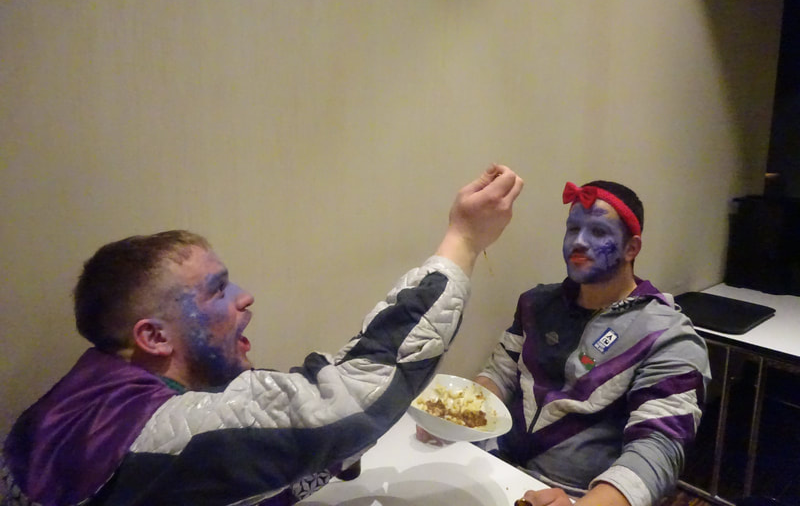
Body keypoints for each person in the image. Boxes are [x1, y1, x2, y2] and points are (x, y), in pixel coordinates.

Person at [0, 164, 524, 506]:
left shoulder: (75, 400)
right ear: (154, 337)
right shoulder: (154, 435)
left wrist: (327, 452)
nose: (244, 297)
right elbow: (354, 393)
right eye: (217, 290)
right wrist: (463, 241)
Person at [476, 181, 710, 506]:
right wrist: (458, 415)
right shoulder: (536, 303)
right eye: (573, 228)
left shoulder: (668, 334)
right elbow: (499, 374)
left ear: (631, 248)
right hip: (494, 469)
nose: (579, 241)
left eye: (598, 231)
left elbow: (660, 446)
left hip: (580, 496)